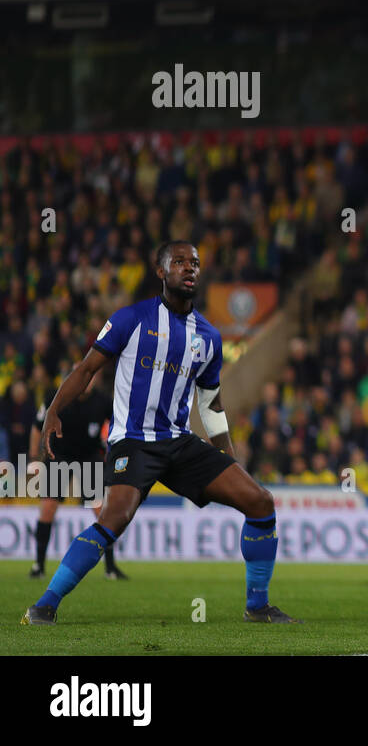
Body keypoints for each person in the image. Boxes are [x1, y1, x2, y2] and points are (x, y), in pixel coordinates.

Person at [23, 241, 298, 625]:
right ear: (161, 271)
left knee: (260, 503)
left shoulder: (209, 337)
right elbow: (86, 370)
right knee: (113, 519)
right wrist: (54, 410)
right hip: (132, 442)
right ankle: (45, 603)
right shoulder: (129, 319)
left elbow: (211, 404)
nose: (190, 268)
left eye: (195, 263)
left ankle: (257, 607)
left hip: (179, 442)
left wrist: (227, 457)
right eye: (180, 262)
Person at [29, 376, 126, 581]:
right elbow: (38, 427)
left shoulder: (102, 401)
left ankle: (110, 567)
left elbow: (118, 424)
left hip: (89, 457)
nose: (86, 382)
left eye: (89, 379)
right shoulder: (58, 397)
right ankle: (38, 565)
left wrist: (111, 446)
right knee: (48, 507)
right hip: (59, 456)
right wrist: (34, 459)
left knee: (102, 512)